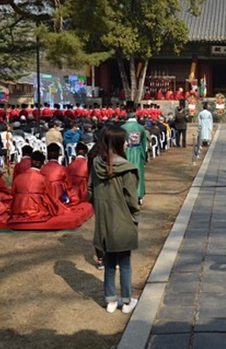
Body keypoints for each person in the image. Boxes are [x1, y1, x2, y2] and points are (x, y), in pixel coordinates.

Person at [89, 126, 141, 314]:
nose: (127, 143)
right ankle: (127, 301)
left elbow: (89, 191)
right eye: (124, 140)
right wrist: (135, 215)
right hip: (122, 219)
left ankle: (110, 300)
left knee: (109, 262)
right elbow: (131, 199)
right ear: (118, 143)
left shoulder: (95, 164)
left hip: (103, 220)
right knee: (125, 263)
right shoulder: (126, 168)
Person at [9, 151, 61, 223]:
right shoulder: (43, 179)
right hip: (37, 209)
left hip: (19, 209)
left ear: (31, 161)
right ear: (42, 164)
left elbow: (12, 196)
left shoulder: (18, 178)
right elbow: (49, 198)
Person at [121, 112, 147, 204]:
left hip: (126, 152)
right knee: (138, 173)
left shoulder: (123, 127)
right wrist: (143, 155)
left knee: (126, 173)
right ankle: (139, 194)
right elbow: (144, 143)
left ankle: (126, 194)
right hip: (138, 152)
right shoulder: (141, 128)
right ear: (135, 117)